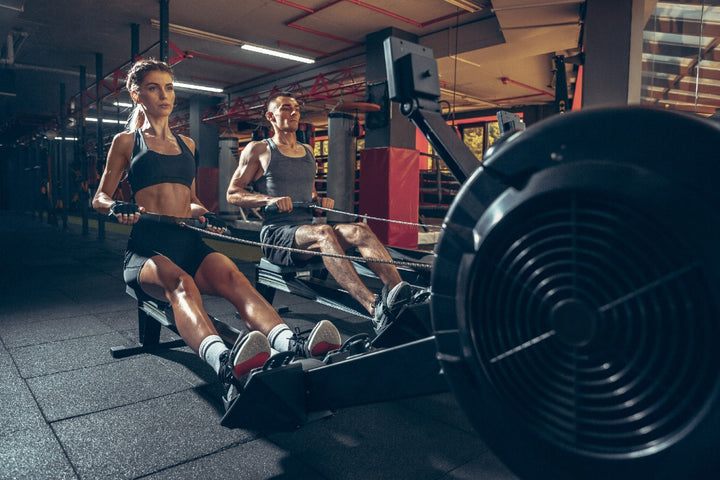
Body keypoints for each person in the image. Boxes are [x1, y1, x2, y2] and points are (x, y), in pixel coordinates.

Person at [92, 60, 340, 407]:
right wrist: (118, 207)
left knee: (231, 274)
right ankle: (223, 362)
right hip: (148, 249)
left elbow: (190, 200)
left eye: (168, 87)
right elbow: (99, 198)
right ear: (137, 95)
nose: (164, 94)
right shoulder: (126, 141)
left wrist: (205, 215)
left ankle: (288, 342)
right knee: (181, 284)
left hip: (187, 240)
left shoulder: (188, 145)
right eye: (153, 87)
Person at [226, 92, 412, 333]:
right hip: (277, 236)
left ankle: (399, 296)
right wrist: (269, 199)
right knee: (324, 232)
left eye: (296, 108)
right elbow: (233, 193)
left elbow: (310, 193)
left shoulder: (308, 151)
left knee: (360, 230)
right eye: (285, 108)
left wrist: (318, 199)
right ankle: (374, 307)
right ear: (270, 116)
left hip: (307, 237)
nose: (293, 113)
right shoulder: (259, 149)